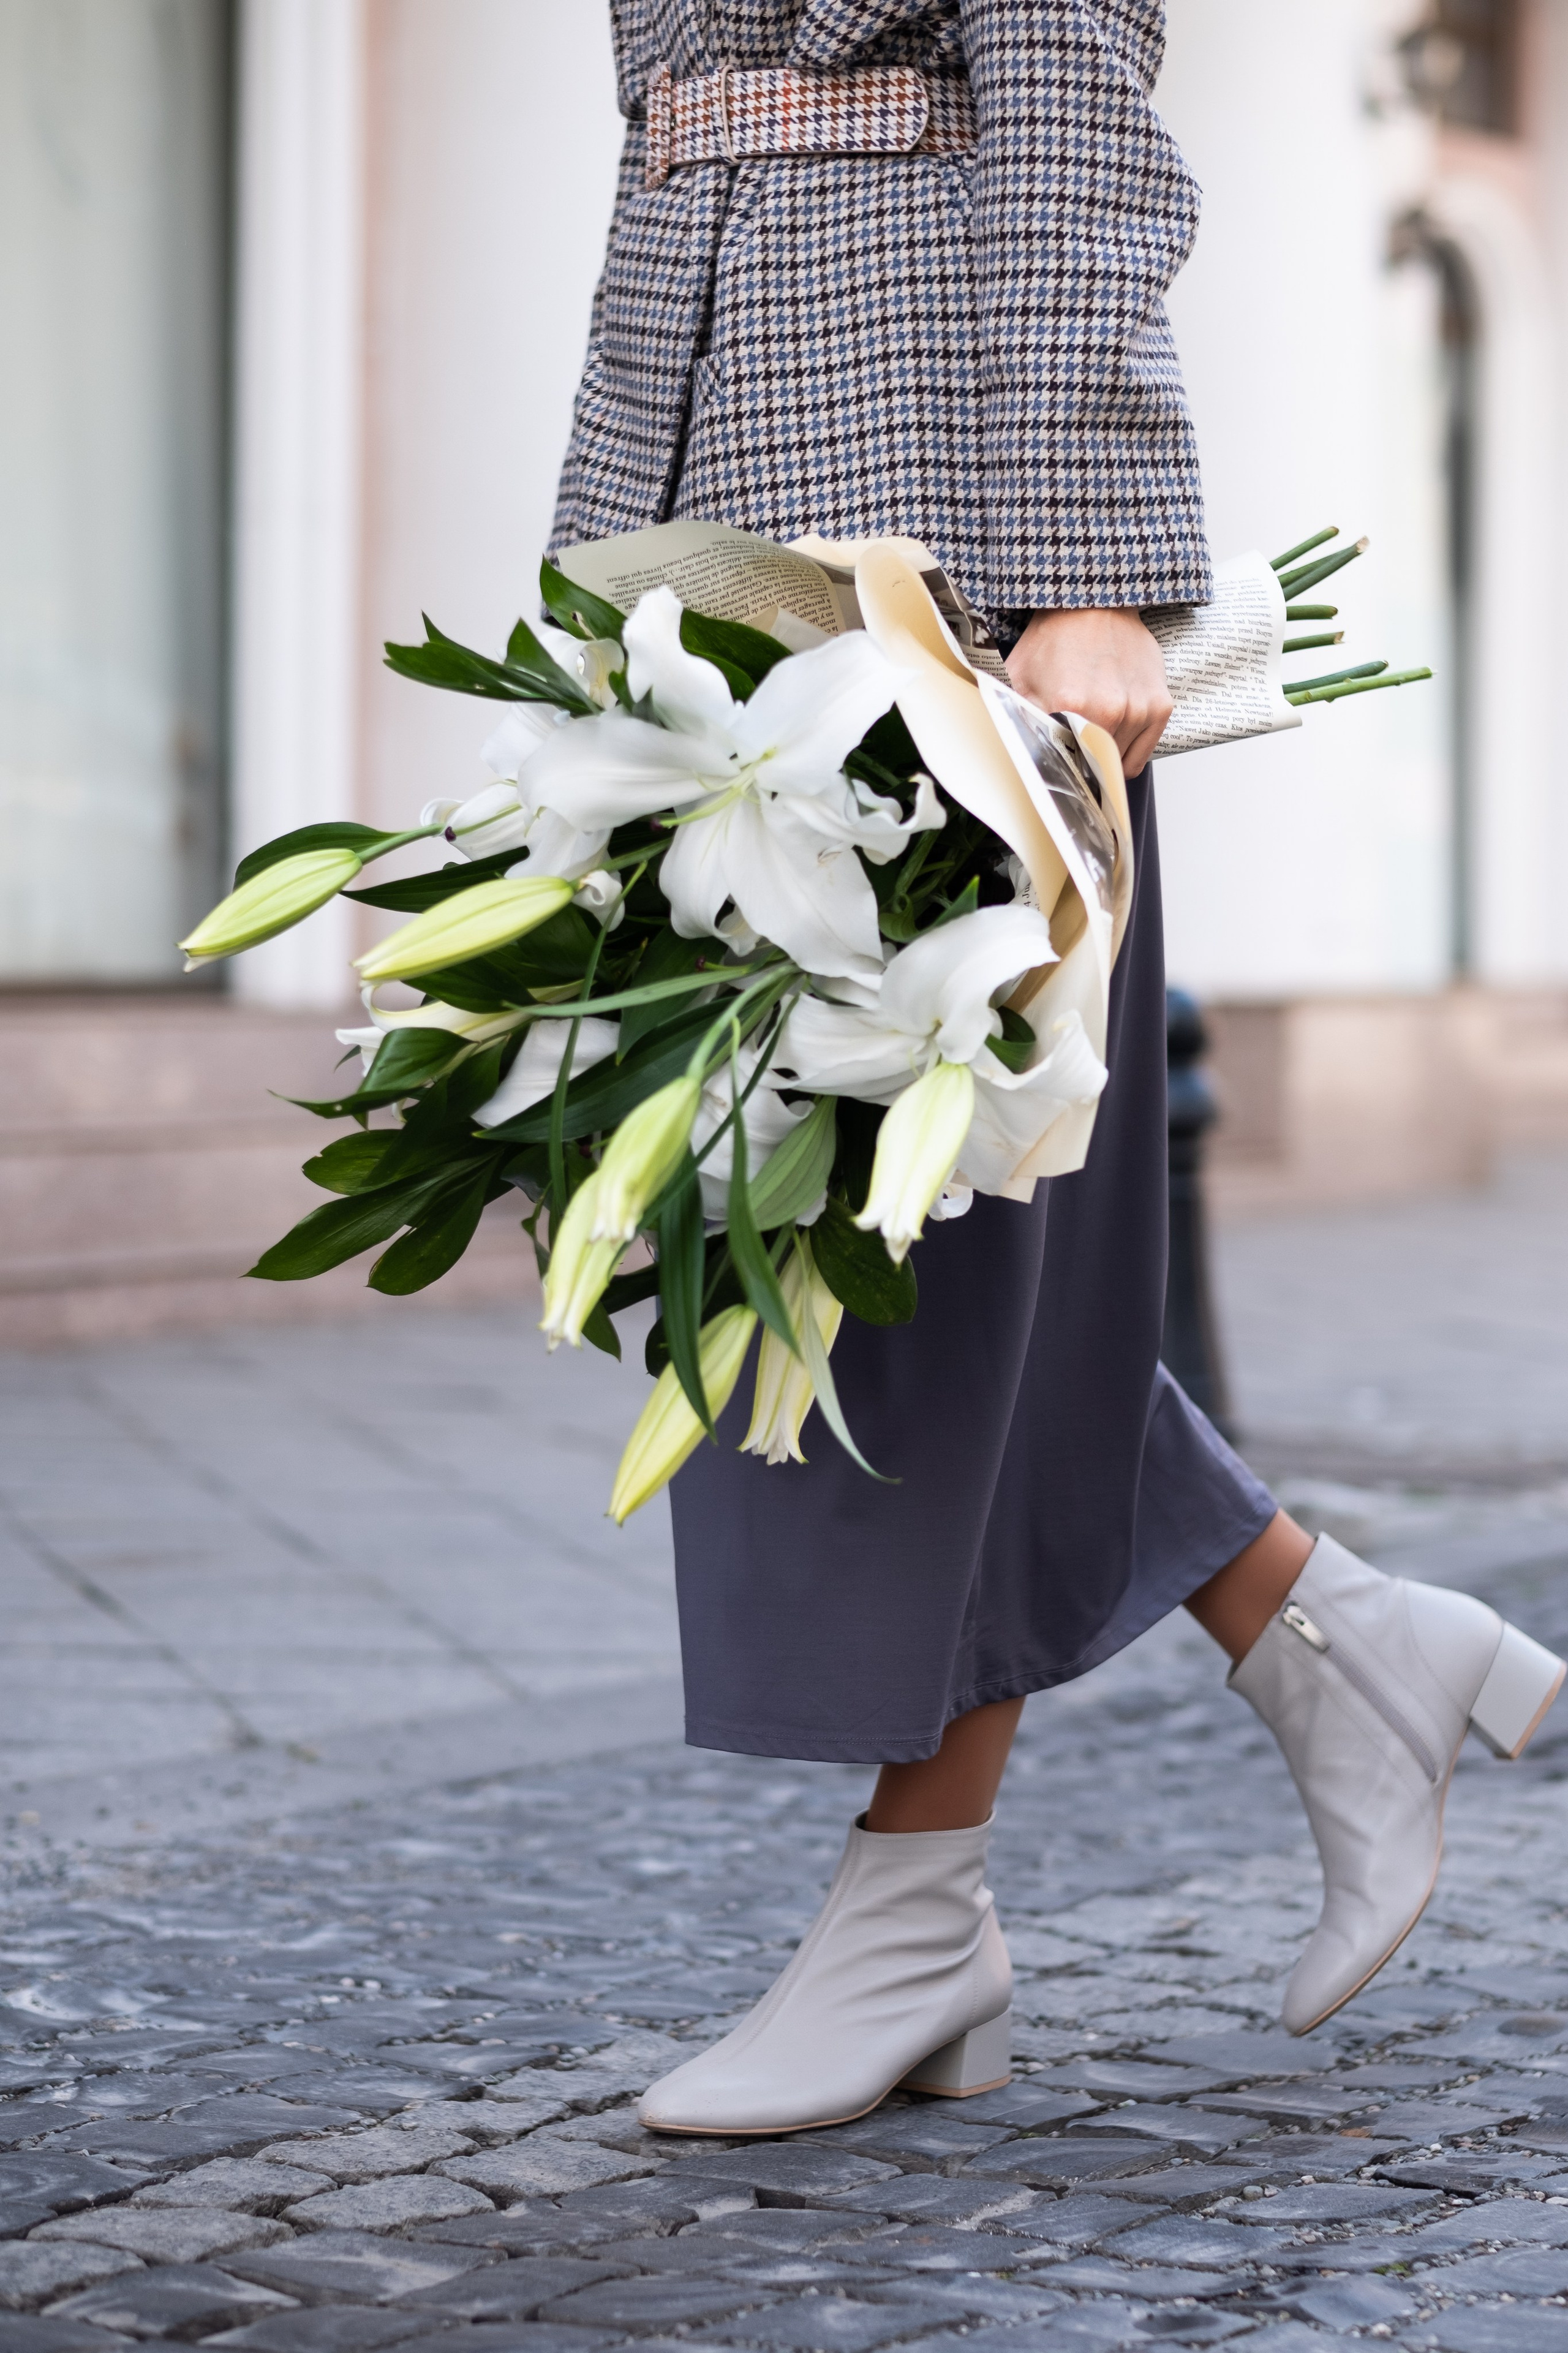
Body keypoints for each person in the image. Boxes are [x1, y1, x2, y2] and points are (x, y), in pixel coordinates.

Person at [549, 1, 1565, 2136]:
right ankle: (1339, 1637)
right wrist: (603, 576)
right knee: (817, 1206)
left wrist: (1093, 576)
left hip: (953, 549)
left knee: (939, 1239)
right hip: (721, 534)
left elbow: (1070, 84)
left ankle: (919, 1908)